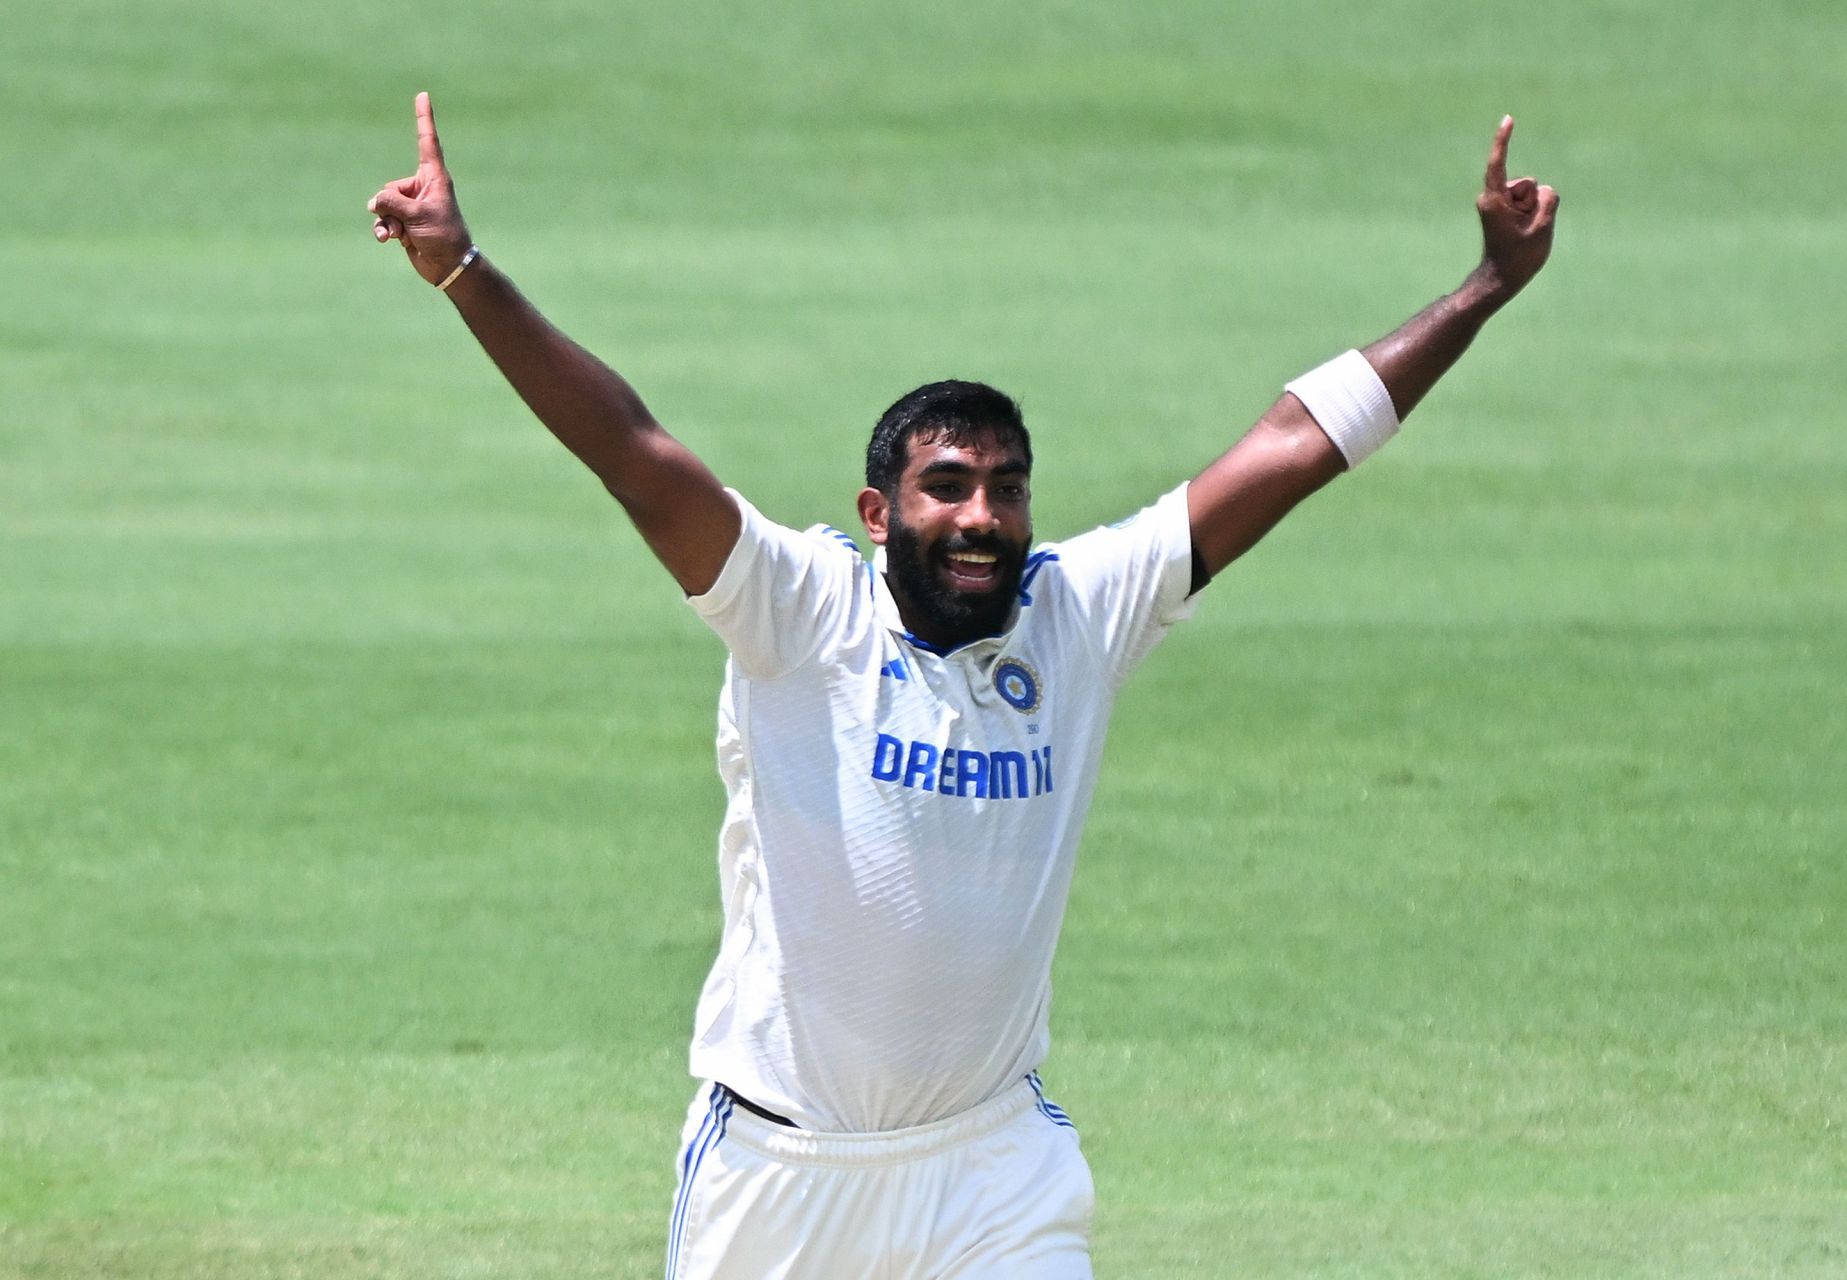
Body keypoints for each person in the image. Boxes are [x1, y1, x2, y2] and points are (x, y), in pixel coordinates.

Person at [368, 92, 1557, 1279]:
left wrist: (1485, 289)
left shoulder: (1080, 610)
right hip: (785, 1178)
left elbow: (1296, 443)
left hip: (993, 1168)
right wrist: (465, 271)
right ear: (879, 511)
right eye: (948, 486)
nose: (982, 515)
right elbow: (630, 448)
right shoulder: (800, 607)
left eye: (1006, 487)